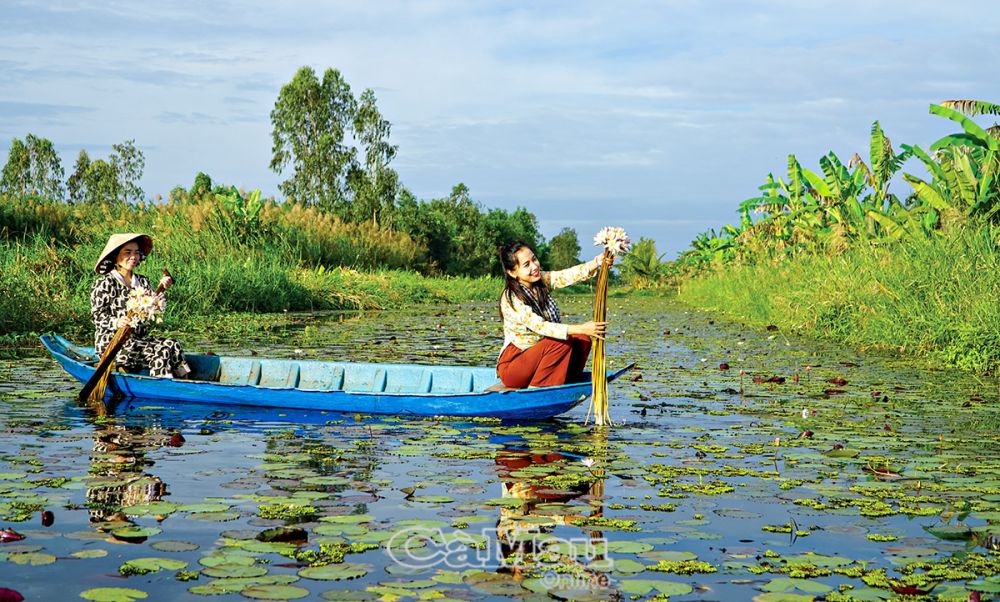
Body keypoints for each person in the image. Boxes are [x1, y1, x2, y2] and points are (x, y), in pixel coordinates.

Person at [496, 241, 609, 388]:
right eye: (526, 265)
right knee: (560, 341)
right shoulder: (512, 298)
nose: (534, 266)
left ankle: (564, 379)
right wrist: (581, 327)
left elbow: (566, 275)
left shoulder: (540, 281)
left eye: (534, 259)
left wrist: (596, 262)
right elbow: (540, 326)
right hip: (515, 365)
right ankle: (537, 390)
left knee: (583, 339)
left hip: (542, 357)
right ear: (512, 272)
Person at [90, 233, 191, 379]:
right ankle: (162, 387)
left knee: (173, 344)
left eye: (137, 253)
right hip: (114, 344)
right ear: (115, 256)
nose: (133, 257)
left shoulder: (142, 281)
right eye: (128, 252)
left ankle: (184, 380)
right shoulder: (105, 283)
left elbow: (153, 307)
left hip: (139, 339)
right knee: (161, 351)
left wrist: (162, 288)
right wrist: (117, 322)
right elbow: (97, 316)